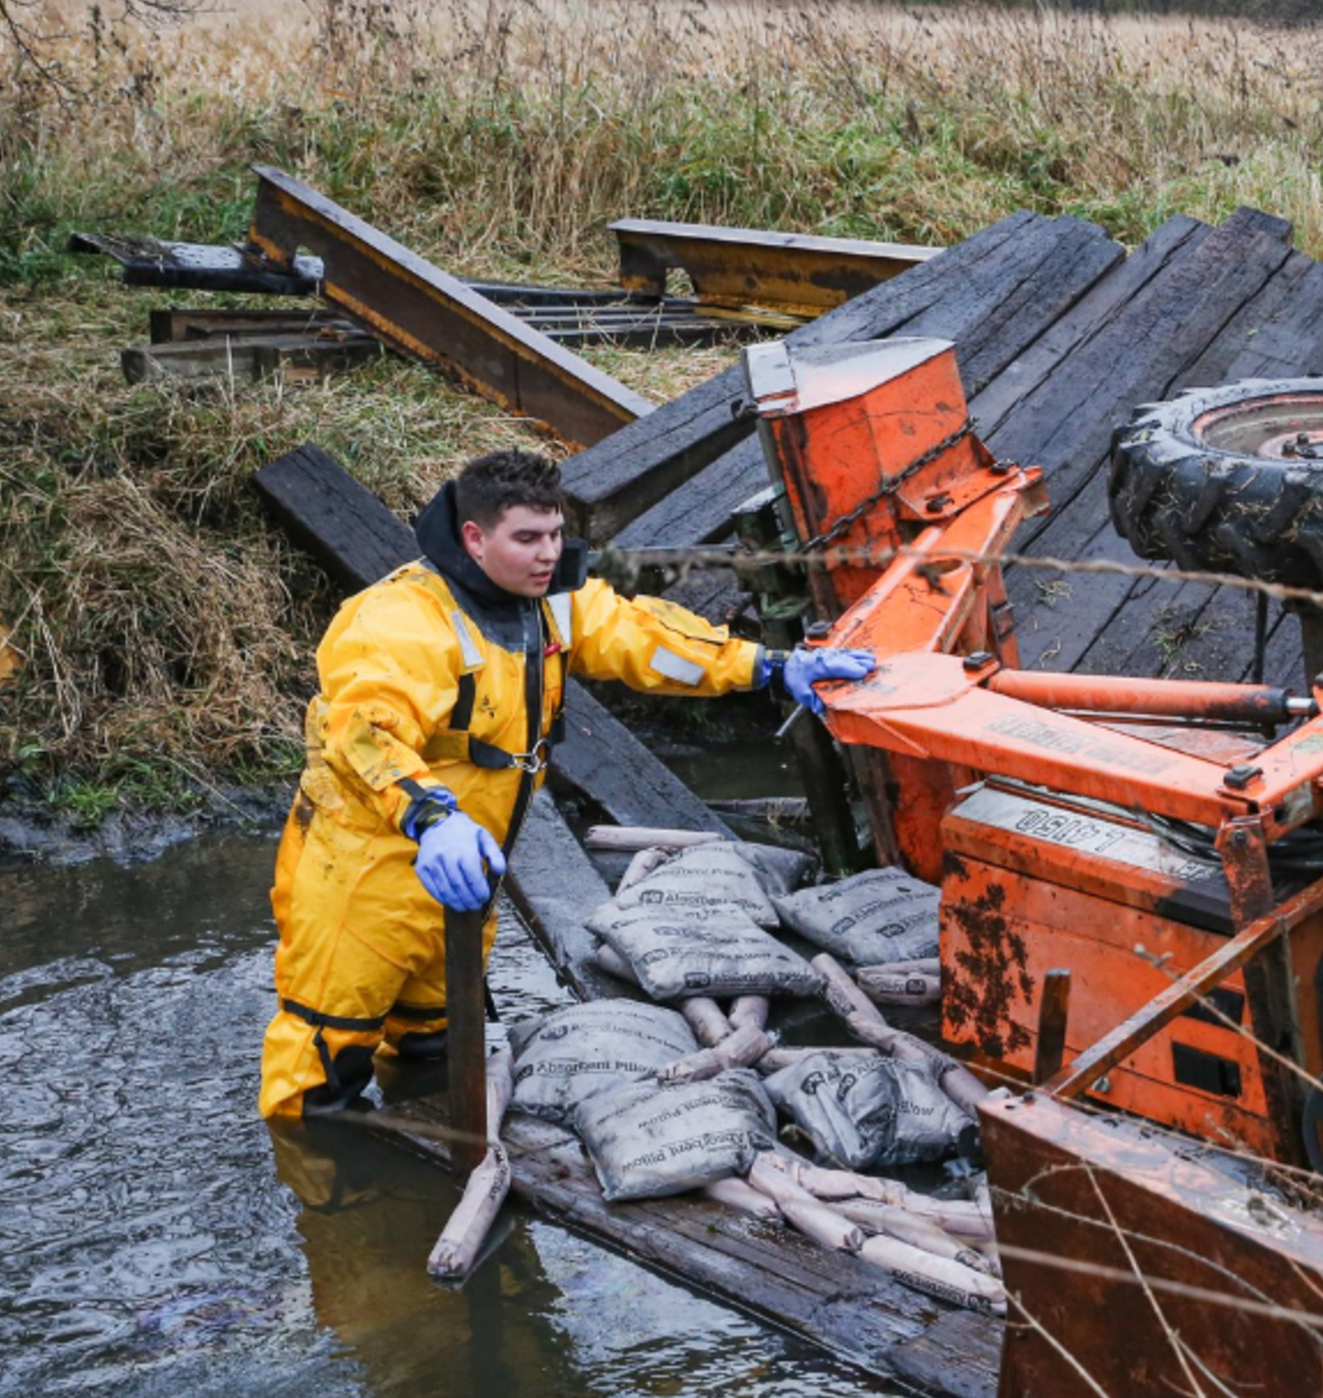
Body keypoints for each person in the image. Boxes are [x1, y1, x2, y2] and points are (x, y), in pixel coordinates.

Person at [258, 449, 875, 1119]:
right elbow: (364, 732)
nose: (548, 554)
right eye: (526, 538)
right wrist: (433, 817)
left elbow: (644, 640)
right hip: (366, 875)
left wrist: (768, 667)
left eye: (554, 535)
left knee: (437, 1045)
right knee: (318, 1074)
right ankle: (328, 1205)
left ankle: (428, 1177)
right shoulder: (398, 622)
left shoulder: (552, 602)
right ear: (474, 537)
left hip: (467, 877)